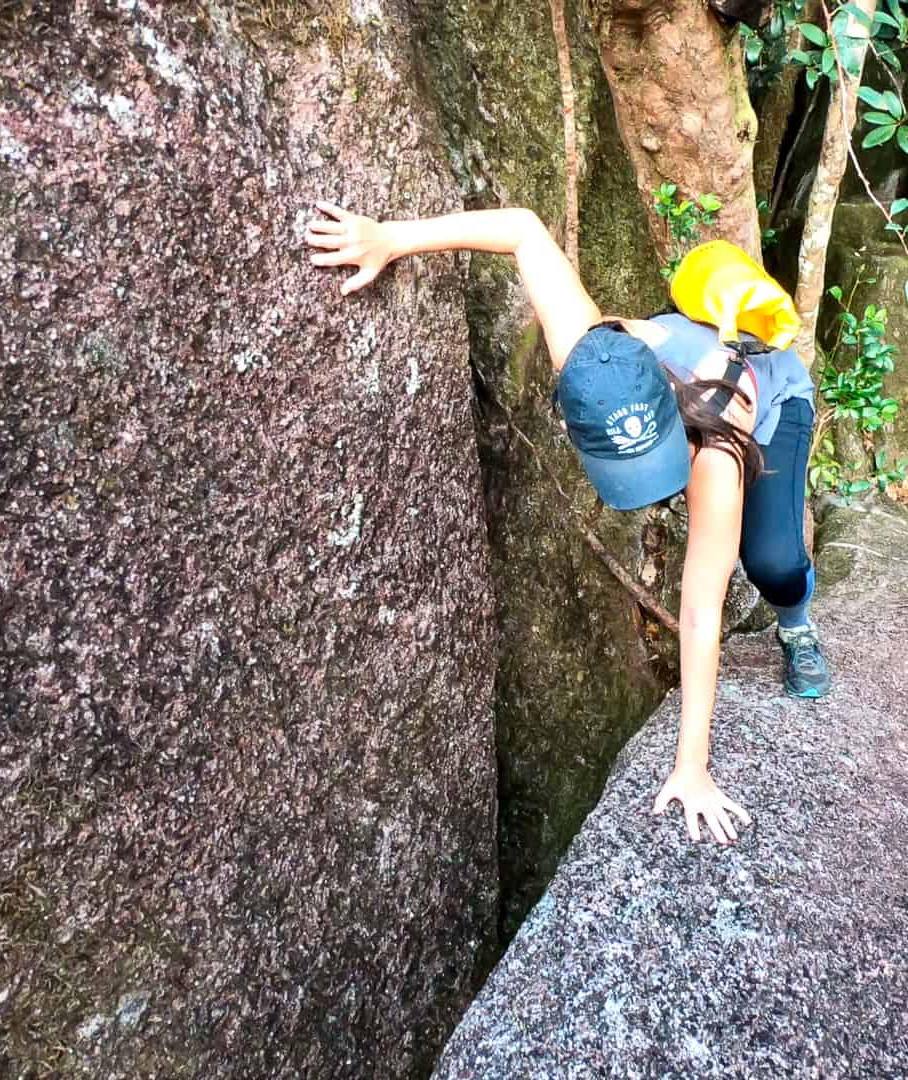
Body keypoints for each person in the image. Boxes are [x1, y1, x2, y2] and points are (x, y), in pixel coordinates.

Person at [304, 201, 829, 846]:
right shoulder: (587, 355)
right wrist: (389, 239)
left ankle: (796, 624)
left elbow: (699, 608)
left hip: (771, 403)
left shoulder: (720, 440)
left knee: (770, 560)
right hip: (679, 407)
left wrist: (692, 768)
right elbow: (523, 231)